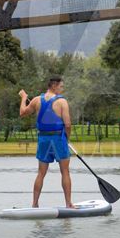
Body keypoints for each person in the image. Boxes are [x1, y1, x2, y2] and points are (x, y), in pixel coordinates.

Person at [19, 76, 75, 209]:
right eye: (61, 87)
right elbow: (67, 124)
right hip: (58, 139)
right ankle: (68, 204)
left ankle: (34, 204)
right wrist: (67, 138)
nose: (62, 89)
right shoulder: (62, 102)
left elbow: (22, 112)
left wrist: (23, 97)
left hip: (43, 139)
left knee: (41, 173)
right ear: (54, 86)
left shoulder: (36, 100)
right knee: (65, 172)